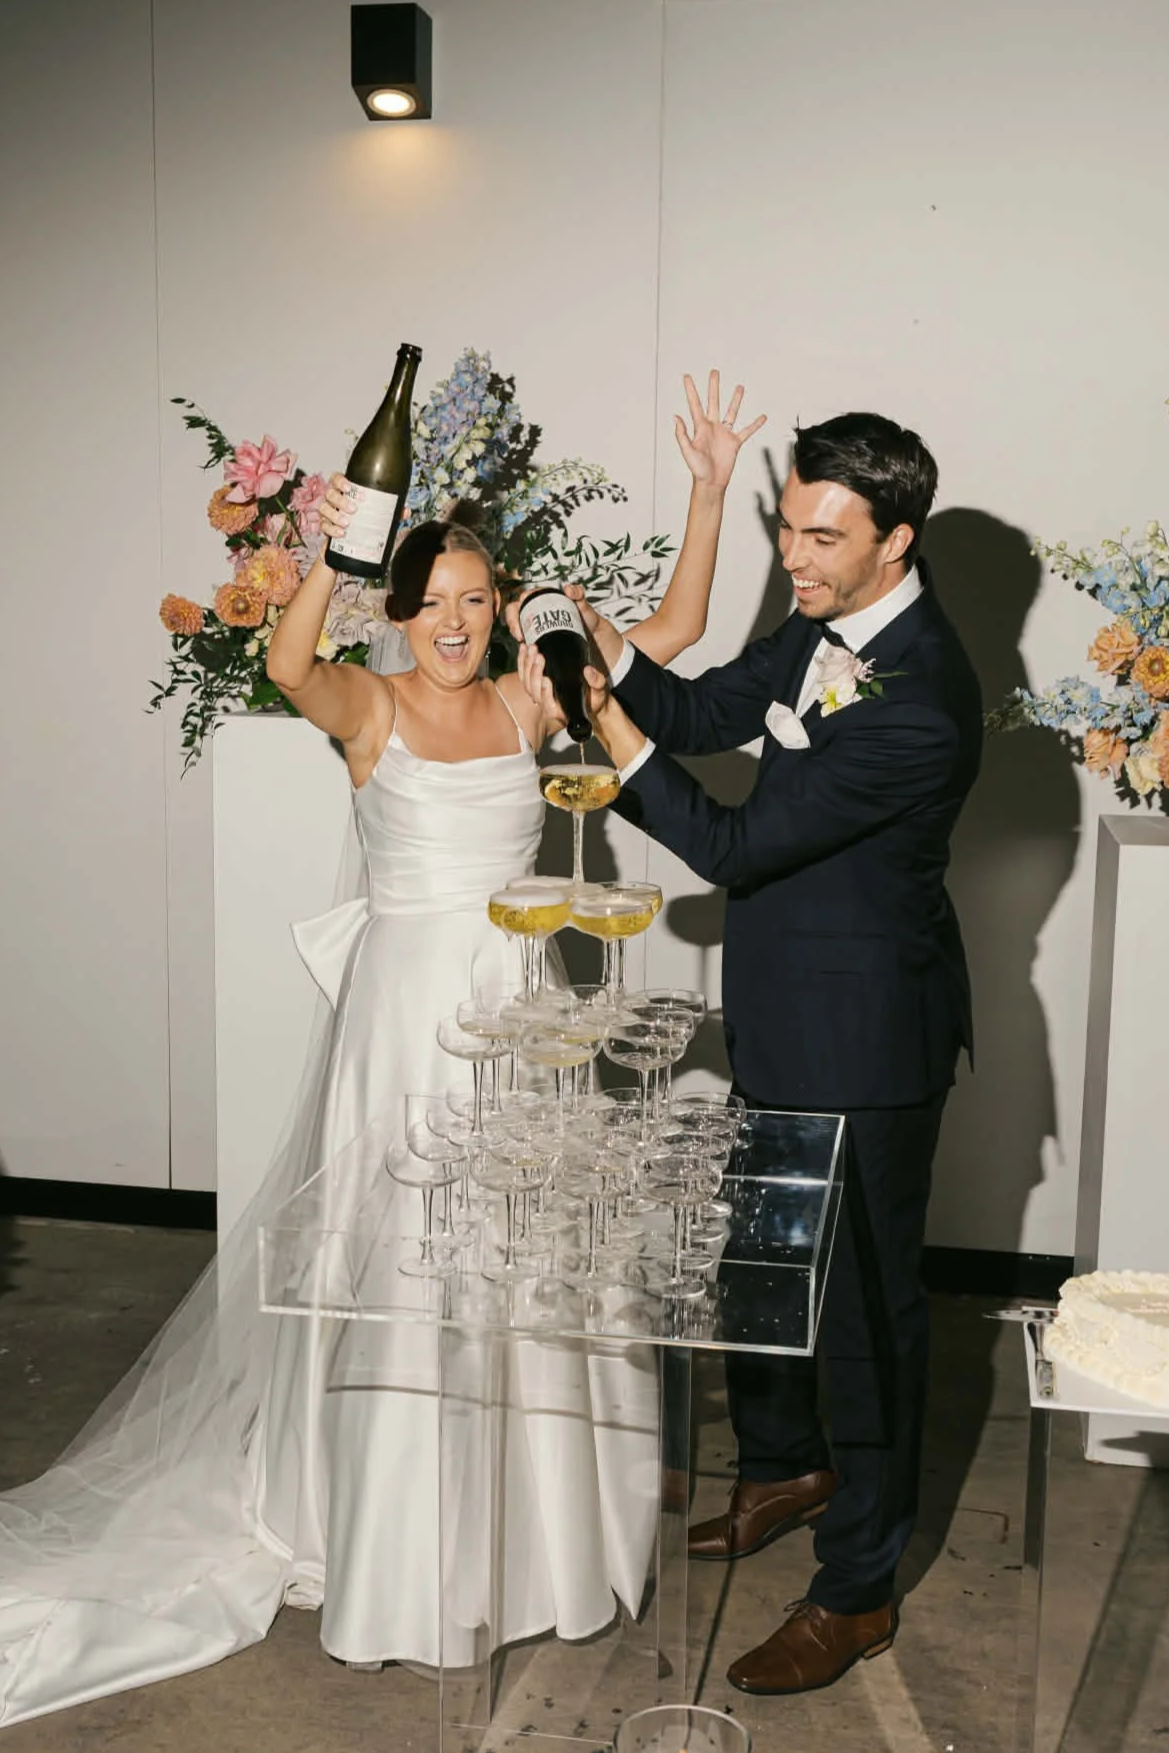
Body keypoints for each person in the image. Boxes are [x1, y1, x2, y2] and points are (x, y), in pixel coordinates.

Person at [0, 374, 763, 1726]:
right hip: (407, 1024)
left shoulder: (537, 704)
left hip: (523, 1014)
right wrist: (342, 549)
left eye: (479, 598)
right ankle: (397, 1547)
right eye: (436, 599)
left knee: (530, 1269)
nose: (460, 622)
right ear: (400, 608)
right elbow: (284, 664)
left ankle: (536, 1543)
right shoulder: (371, 707)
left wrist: (708, 491)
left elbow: (679, 628)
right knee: (406, 1272)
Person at [518, 411, 982, 1698]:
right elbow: (702, 704)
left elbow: (722, 848)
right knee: (759, 1265)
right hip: (782, 1018)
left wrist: (604, 735)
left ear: (897, 540)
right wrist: (607, 647)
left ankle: (857, 1588)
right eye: (789, 526)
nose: (796, 556)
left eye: (822, 536)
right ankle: (778, 1468)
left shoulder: (921, 704)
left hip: (867, 1043)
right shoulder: (817, 618)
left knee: (865, 1323)